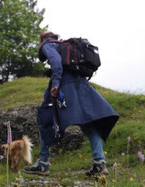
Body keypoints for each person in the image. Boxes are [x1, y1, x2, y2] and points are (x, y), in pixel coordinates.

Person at [24, 32, 119, 176]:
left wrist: (55, 83)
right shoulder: (64, 46)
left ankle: (43, 164)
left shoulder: (48, 44)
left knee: (46, 120)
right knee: (88, 123)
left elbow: (55, 62)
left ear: (42, 39)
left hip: (65, 86)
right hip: (80, 84)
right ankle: (99, 163)